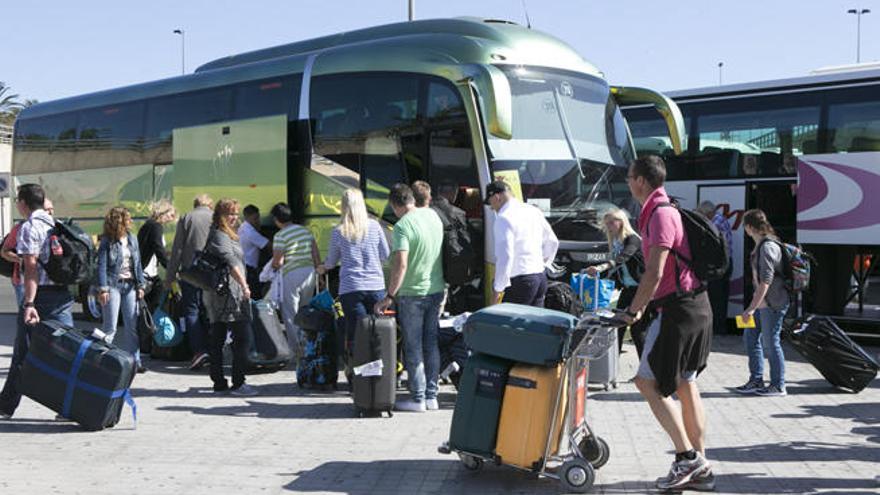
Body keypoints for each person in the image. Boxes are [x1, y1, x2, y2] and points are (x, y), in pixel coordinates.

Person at [620, 156, 715, 491]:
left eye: (630, 177)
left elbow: (655, 272)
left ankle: (688, 458)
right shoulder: (667, 208)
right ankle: (700, 467)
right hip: (694, 307)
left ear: (642, 181)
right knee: (685, 384)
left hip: (678, 311)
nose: (629, 183)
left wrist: (634, 310)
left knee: (647, 382)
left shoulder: (660, 214)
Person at [0, 184, 75, 419]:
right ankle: (69, 407)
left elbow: (30, 269)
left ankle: (5, 406)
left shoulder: (29, 227)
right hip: (63, 295)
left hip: (40, 297)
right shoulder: (56, 224)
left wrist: (29, 304)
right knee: (66, 352)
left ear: (23, 203)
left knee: (23, 353)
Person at [374, 183, 444, 413]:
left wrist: (389, 295)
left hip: (412, 293)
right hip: (435, 289)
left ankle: (418, 398)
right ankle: (432, 396)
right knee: (431, 343)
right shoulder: (433, 216)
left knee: (413, 347)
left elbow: (401, 263)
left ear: (395, 205)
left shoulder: (402, 226)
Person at [317, 188, 389, 359]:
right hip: (376, 285)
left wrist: (322, 268)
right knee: (377, 331)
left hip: (350, 288)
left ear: (343, 206)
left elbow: (331, 262)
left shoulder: (339, 231)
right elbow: (385, 254)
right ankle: (378, 371)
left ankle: (358, 373)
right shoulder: (375, 226)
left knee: (356, 331)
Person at [203, 198, 256, 396]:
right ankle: (238, 382)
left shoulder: (225, 233)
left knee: (218, 337)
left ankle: (219, 381)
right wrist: (244, 286)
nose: (234, 218)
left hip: (223, 294)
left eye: (236, 214)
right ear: (220, 215)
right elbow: (231, 261)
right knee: (243, 337)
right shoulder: (220, 235)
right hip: (229, 295)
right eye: (230, 214)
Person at [736, 209, 790, 397]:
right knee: (750, 338)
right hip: (762, 303)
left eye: (745, 226)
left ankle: (778, 385)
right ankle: (756, 380)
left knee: (770, 343)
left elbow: (765, 281)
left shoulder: (767, 247)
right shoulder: (761, 244)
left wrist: (751, 308)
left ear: (750, 227)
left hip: (772, 304)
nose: (744, 230)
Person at [485, 180, 559, 307]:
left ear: (497, 197)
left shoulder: (503, 218)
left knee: (509, 325)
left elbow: (505, 257)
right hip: (540, 277)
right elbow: (552, 241)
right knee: (534, 325)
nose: (491, 208)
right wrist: (543, 264)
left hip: (520, 281)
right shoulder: (533, 210)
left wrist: (498, 289)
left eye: (490, 203)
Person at [586, 207, 646, 354]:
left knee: (638, 331)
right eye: (607, 223)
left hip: (641, 290)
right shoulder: (617, 243)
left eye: (612, 222)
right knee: (616, 326)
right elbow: (617, 267)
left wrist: (602, 267)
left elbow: (624, 257)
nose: (609, 226)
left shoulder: (633, 239)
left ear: (622, 222)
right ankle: (613, 367)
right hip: (628, 289)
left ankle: (647, 373)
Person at [97, 206, 147, 373]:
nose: (131, 221)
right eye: (128, 218)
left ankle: (135, 361)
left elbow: (137, 264)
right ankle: (101, 359)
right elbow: (102, 266)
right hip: (113, 285)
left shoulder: (132, 239)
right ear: (120, 221)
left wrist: (141, 285)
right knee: (110, 326)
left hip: (130, 285)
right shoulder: (107, 241)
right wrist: (103, 289)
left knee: (132, 324)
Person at [166, 194, 214, 371]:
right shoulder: (216, 217)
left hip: (190, 274)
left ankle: (199, 351)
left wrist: (170, 276)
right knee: (211, 311)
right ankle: (213, 348)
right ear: (209, 205)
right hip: (212, 274)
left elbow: (178, 248)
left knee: (191, 311)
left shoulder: (187, 218)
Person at [271, 202, 320, 362]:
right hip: (309, 273)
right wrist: (318, 269)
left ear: (277, 219)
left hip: (291, 274)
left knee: (290, 315)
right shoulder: (305, 231)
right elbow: (315, 252)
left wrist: (271, 267)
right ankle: (308, 347)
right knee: (305, 312)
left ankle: (296, 351)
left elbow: (278, 261)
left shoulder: (280, 235)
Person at [697, 201, 733, 335]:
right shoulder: (721, 219)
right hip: (726, 263)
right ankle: (719, 327)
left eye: (702, 214)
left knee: (715, 297)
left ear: (708, 213)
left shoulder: (714, 223)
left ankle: (715, 329)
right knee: (721, 298)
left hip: (718, 265)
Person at [138, 200, 176, 296]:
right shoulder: (156, 227)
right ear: (163, 212)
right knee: (157, 297)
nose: (171, 219)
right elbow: (158, 248)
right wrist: (169, 267)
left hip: (145, 271)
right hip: (147, 272)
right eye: (171, 215)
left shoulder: (148, 224)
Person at [238, 204, 270, 297]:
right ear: (247, 217)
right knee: (255, 294)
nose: (258, 221)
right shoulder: (250, 232)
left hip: (243, 265)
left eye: (258, 218)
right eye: (255, 218)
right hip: (249, 269)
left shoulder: (243, 227)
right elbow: (268, 245)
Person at [1, 219, 24, 307]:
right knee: (26, 313)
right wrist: (23, 260)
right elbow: (5, 252)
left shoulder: (54, 227)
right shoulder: (19, 228)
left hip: (50, 282)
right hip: (21, 279)